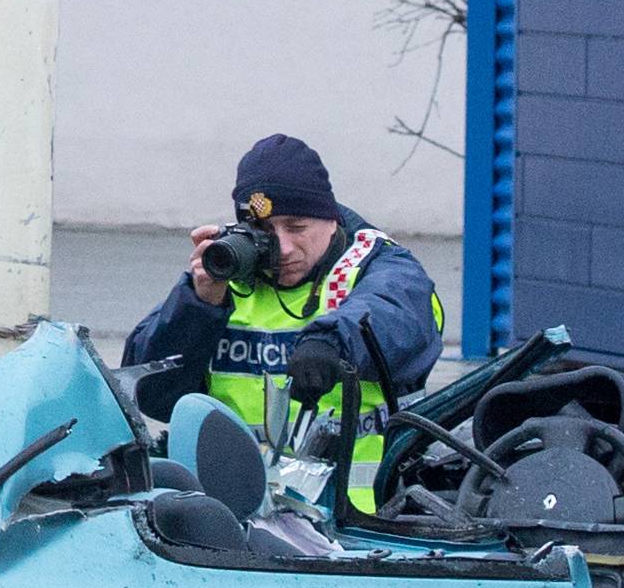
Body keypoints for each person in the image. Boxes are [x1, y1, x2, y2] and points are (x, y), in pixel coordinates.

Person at [123, 133, 444, 510]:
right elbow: (152, 394)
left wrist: (331, 344)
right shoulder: (229, 279)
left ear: (330, 219)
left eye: (296, 227)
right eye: (266, 231)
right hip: (231, 514)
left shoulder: (379, 269)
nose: (284, 248)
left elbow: (393, 311)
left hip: (357, 519)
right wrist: (199, 303)